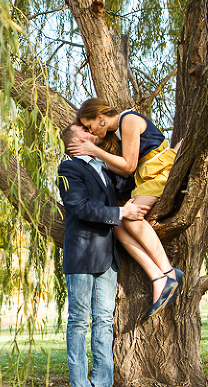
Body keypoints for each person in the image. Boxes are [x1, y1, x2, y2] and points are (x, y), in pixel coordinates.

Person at [67, 97, 183, 317]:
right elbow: (125, 170)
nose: (91, 131)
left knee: (130, 218)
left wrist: (94, 149)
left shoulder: (128, 120)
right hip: (147, 176)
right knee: (117, 223)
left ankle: (169, 273)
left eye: (90, 125)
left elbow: (129, 166)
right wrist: (93, 153)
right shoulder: (118, 132)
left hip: (159, 173)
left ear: (100, 118)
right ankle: (158, 276)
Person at [58, 123, 151, 387]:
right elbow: (80, 208)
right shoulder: (69, 168)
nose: (93, 133)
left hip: (107, 257)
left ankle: (102, 382)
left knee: (103, 321)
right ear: (75, 142)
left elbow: (129, 178)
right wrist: (122, 214)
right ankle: (79, 383)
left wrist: (162, 156)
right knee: (78, 321)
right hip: (82, 256)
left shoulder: (103, 166)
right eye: (86, 132)